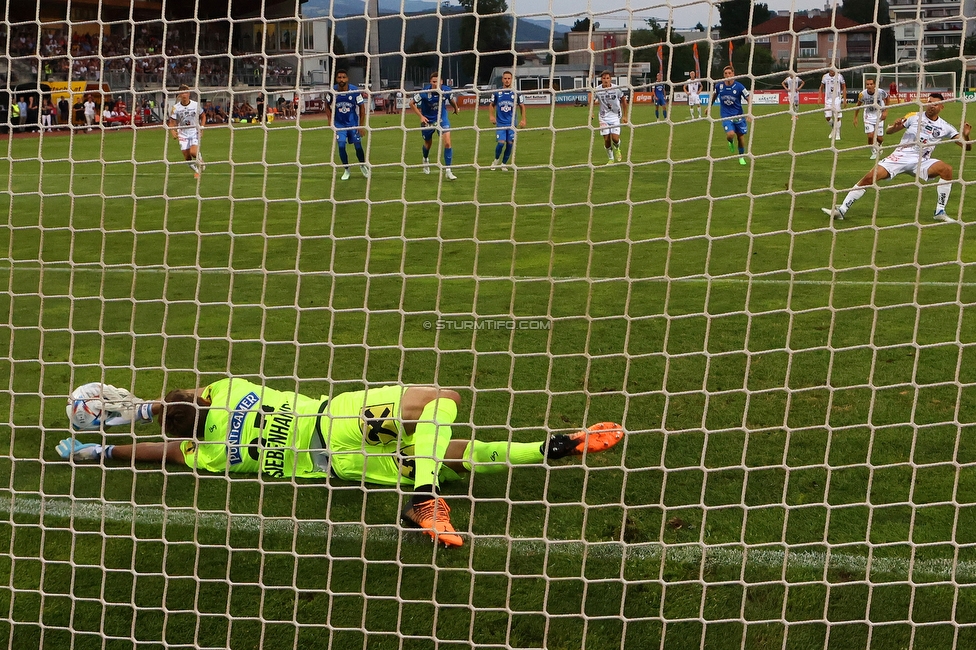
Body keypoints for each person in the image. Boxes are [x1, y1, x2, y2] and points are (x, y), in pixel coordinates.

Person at [57, 381, 625, 548]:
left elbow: (163, 450)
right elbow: (180, 400)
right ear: (203, 399)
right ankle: (427, 497)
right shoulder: (225, 391)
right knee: (440, 402)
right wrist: (136, 407)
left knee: (456, 454)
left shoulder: (203, 455)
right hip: (342, 419)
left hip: (346, 467)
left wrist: (104, 450)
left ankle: (550, 447)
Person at [821, 94, 972, 223]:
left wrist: (965, 135)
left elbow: (966, 146)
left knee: (947, 170)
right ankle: (841, 210)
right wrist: (895, 126)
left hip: (922, 161)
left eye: (935, 103)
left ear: (941, 107)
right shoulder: (914, 116)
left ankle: (940, 212)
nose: (931, 105)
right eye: (929, 102)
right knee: (869, 177)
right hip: (899, 157)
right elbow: (889, 131)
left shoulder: (945, 127)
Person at [410, 72, 460, 180]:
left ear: (441, 82)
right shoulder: (424, 92)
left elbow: (451, 99)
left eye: (438, 82)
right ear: (430, 82)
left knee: (447, 142)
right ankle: (425, 159)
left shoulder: (446, 90)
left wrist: (456, 108)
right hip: (428, 120)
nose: (435, 84)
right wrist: (421, 116)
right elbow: (411, 103)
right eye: (433, 82)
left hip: (441, 118)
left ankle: (448, 170)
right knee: (428, 144)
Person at [324, 69, 369, 180]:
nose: (341, 79)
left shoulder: (354, 91)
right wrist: (329, 119)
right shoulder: (332, 91)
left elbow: (362, 107)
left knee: (358, 147)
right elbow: (326, 105)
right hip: (339, 124)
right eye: (339, 77)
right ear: (336, 79)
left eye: (343, 77)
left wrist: (361, 125)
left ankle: (363, 165)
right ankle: (346, 170)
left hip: (353, 123)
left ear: (347, 79)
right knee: (341, 146)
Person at [713, 66, 752, 166]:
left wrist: (749, 113)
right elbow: (714, 95)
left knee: (740, 137)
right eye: (726, 73)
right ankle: (730, 141)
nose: (727, 75)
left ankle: (741, 157)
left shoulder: (739, 87)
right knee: (730, 134)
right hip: (726, 115)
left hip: (739, 115)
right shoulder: (719, 86)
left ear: (733, 74)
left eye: (729, 73)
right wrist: (709, 106)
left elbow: (749, 98)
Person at [488, 71, 526, 170]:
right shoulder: (497, 92)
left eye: (509, 78)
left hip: (512, 123)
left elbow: (522, 106)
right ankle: (496, 160)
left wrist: (523, 119)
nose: (507, 80)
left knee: (510, 144)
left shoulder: (516, 93)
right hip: (500, 123)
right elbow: (491, 105)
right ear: (502, 80)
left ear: (511, 80)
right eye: (505, 78)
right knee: (501, 143)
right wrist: (491, 116)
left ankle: (504, 164)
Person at [590, 70, 629, 164]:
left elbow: (624, 100)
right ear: (601, 79)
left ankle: (617, 148)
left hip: (615, 116)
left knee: (615, 139)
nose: (606, 80)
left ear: (610, 79)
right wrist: (591, 112)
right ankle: (611, 159)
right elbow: (591, 99)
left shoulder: (616, 89)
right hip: (603, 117)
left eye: (607, 78)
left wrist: (625, 115)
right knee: (607, 139)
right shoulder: (597, 89)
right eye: (604, 78)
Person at [167, 84, 205, 178]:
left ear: (189, 94)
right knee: (187, 157)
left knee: (193, 152)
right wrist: (173, 132)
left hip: (194, 131)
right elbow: (171, 122)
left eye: (186, 92)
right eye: (182, 93)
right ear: (179, 95)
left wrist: (202, 128)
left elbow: (203, 116)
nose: (184, 94)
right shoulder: (175, 108)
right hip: (182, 133)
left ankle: (200, 160)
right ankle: (197, 171)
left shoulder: (195, 105)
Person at [852, 78, 889, 160]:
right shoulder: (862, 94)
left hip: (879, 115)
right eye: (867, 84)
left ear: (874, 85)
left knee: (879, 138)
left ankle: (880, 144)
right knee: (870, 136)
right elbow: (858, 105)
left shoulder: (880, 92)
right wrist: (855, 117)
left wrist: (885, 111)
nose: (869, 86)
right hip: (868, 116)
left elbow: (887, 99)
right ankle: (873, 152)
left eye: (871, 84)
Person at [820, 68, 847, 142]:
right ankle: (833, 128)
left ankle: (838, 133)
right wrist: (819, 97)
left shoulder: (839, 76)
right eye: (830, 70)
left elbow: (844, 87)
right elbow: (821, 87)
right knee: (828, 117)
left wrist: (844, 99)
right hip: (828, 100)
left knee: (837, 117)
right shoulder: (825, 77)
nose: (832, 71)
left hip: (837, 99)